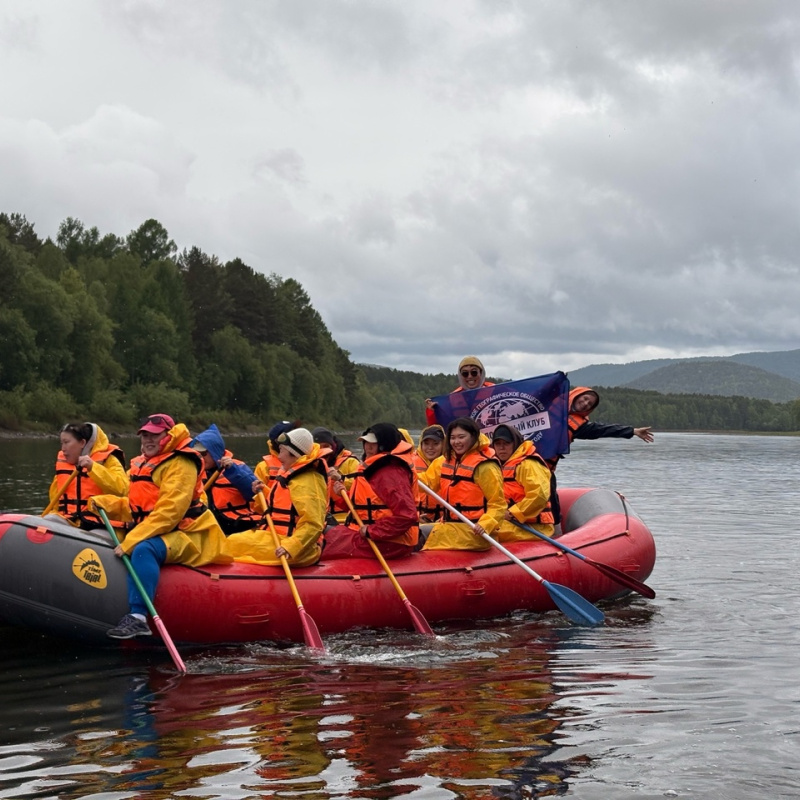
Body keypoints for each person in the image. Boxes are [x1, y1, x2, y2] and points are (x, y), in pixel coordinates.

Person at [89, 414, 231, 639]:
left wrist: (132, 539)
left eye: (154, 435)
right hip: (159, 528)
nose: (148, 440)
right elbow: (137, 506)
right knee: (127, 540)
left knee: (143, 549)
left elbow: (169, 513)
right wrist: (107, 504)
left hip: (189, 533)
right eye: (145, 435)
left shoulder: (182, 463)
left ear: (168, 436)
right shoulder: (143, 462)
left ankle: (138, 617)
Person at [226, 427, 327, 567]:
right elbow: (277, 507)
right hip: (274, 535)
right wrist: (261, 493)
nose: (279, 457)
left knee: (231, 545)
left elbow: (313, 524)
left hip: (297, 547)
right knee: (230, 542)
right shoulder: (289, 474)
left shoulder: (307, 482)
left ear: (294, 454)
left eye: (282, 452)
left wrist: (290, 547)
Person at [324, 423, 419, 560]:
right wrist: (340, 494)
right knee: (326, 536)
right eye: (365, 442)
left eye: (373, 443)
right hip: (373, 536)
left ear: (384, 444)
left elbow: (407, 516)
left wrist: (371, 531)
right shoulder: (374, 467)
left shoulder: (390, 471)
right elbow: (358, 505)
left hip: (391, 542)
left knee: (326, 545)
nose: (368, 447)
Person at [422, 417, 506, 551]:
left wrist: (486, 523)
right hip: (449, 527)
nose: (456, 442)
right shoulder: (444, 461)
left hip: (473, 532)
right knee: (414, 533)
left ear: (473, 437)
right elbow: (426, 482)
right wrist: (404, 476)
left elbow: (498, 504)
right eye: (453, 438)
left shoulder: (485, 466)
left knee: (419, 537)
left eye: (461, 437)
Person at [47, 422, 128, 530]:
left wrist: (93, 468)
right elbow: (55, 501)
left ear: (82, 443)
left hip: (103, 525)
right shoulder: (63, 466)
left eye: (66, 442)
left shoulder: (109, 460)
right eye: (61, 443)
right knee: (49, 519)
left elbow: (122, 489)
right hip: (69, 521)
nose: (63, 448)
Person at [190, 424, 261, 535]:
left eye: (204, 453)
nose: (201, 457)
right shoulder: (195, 471)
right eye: (197, 454)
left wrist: (232, 471)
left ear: (215, 452)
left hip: (239, 525)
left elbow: (252, 494)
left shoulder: (237, 467)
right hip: (212, 525)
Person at [490, 424, 555, 541]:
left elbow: (539, 495)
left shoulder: (528, 464)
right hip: (507, 520)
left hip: (532, 527)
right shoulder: (495, 465)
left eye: (506, 443)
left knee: (486, 531)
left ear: (515, 443)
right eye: (498, 444)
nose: (501, 448)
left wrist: (512, 513)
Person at [425, 356, 495, 426]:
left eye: (474, 372)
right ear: (460, 376)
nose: (470, 376)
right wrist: (432, 412)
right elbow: (437, 428)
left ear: (481, 373)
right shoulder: (452, 399)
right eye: (465, 374)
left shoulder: (495, 391)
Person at [311, 427, 361, 525]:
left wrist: (340, 478)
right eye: (319, 447)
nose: (323, 451)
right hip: (319, 518)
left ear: (333, 447)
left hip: (344, 516)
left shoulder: (350, 462)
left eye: (326, 446)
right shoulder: (309, 465)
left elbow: (361, 487)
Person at [568, 387, 654, 443]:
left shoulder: (580, 427)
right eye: (585, 398)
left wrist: (633, 431)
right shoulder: (555, 400)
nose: (586, 403)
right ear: (577, 395)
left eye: (590, 404)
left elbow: (604, 430)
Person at [254, 420, 301, 496]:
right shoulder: (264, 467)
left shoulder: (307, 460)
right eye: (290, 436)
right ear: (277, 442)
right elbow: (256, 503)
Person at [412, 425, 445, 522]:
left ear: (443, 445)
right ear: (421, 445)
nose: (430, 448)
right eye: (426, 444)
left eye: (435, 444)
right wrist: (414, 516)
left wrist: (446, 518)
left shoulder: (450, 463)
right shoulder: (410, 463)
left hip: (443, 520)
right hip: (416, 517)